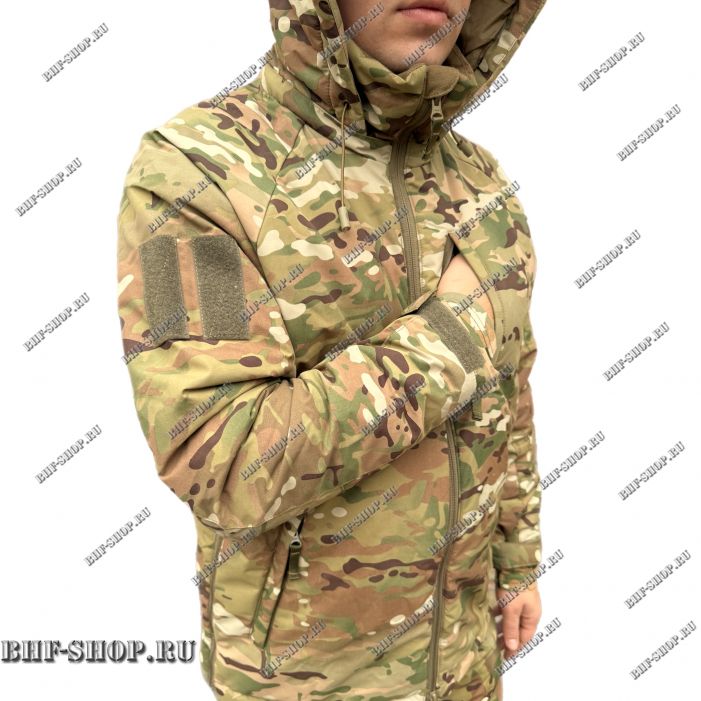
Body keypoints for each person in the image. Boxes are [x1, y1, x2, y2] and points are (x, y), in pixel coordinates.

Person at [116, 0, 547, 699]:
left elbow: (510, 386)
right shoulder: (194, 173)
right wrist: (455, 331)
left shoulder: (482, 185)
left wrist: (517, 556)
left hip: (467, 666)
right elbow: (223, 456)